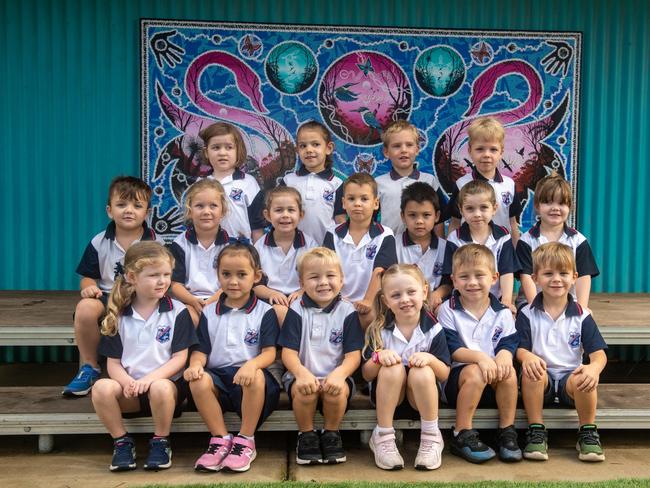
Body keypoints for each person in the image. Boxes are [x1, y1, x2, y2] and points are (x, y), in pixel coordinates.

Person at [91, 241, 197, 471]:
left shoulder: (178, 312)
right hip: (129, 392)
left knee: (160, 386)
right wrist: (128, 382)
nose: (162, 281)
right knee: (101, 388)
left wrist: (148, 380)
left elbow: (180, 359)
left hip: (165, 392)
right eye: (153, 275)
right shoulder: (117, 315)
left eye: (167, 274)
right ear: (131, 277)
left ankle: (161, 441)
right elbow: (113, 363)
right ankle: (121, 442)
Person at [184, 242, 281, 473]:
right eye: (226, 274)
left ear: (256, 276)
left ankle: (246, 440)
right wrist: (195, 365)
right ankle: (220, 440)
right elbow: (201, 351)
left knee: (256, 376)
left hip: (252, 383)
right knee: (198, 379)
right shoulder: (208, 312)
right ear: (217, 275)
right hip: (219, 380)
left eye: (241, 274)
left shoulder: (265, 312)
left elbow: (270, 354)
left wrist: (252, 365)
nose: (233, 281)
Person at [64, 176, 162, 397]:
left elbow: (163, 279)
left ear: (146, 213)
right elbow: (88, 277)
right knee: (86, 307)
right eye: (121, 204)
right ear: (109, 210)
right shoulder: (99, 241)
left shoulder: (156, 244)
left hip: (142, 298)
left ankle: (146, 369)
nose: (129, 210)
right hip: (108, 295)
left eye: (137, 206)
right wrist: (88, 288)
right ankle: (90, 367)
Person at [516, 242, 607, 462]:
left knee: (584, 376)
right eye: (548, 273)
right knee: (532, 372)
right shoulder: (527, 314)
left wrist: (594, 368)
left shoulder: (582, 315)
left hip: (569, 381)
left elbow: (599, 354)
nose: (556, 279)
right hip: (542, 380)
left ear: (574, 277)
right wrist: (527, 356)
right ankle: (536, 431)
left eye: (563, 273)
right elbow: (519, 349)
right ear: (535, 278)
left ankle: (587, 432)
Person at [279, 247, 364, 465]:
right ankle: (306, 435)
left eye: (330, 276)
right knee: (304, 392)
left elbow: (353, 356)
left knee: (336, 392)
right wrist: (301, 374)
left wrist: (339, 375)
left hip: (335, 374)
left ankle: (331, 434)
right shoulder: (297, 310)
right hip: (302, 374)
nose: (323, 282)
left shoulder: (348, 311)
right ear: (302, 283)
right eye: (314, 277)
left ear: (342, 279)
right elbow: (288, 353)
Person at [362, 264, 450, 471]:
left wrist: (430, 358)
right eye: (396, 295)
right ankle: (382, 436)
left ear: (424, 291)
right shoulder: (379, 329)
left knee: (423, 371)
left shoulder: (434, 329)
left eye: (411, 292)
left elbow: (445, 373)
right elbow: (366, 375)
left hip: (422, 400)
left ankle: (431, 436)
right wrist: (377, 357)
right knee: (392, 368)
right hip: (388, 401)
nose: (405, 299)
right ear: (385, 300)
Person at [438, 244, 522, 463]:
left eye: (479, 275)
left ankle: (506, 431)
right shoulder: (447, 310)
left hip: (492, 380)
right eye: (464, 277)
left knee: (509, 372)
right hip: (457, 383)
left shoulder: (502, 312)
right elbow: (453, 350)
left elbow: (509, 341)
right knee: (476, 371)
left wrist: (504, 354)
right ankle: (462, 432)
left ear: (494, 278)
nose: (472, 282)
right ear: (454, 280)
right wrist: (481, 358)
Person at [516, 173, 599, 309]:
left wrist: (581, 310)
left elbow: (584, 277)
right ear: (537, 205)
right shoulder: (526, 241)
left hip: (569, 304)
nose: (555, 208)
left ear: (570, 207)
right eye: (548, 202)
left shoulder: (578, 241)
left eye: (561, 203)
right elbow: (526, 278)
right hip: (531, 303)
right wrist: (535, 310)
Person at [323, 172, 397, 317]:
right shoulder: (332, 234)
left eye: (364, 199)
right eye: (351, 198)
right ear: (343, 203)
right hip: (337, 302)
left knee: (368, 317)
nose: (357, 203)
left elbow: (380, 272)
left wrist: (368, 301)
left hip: (372, 305)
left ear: (376, 203)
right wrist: (338, 302)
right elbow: (327, 272)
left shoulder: (385, 235)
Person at [447, 180, 518, 311]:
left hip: (495, 301)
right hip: (463, 302)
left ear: (494, 208)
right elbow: (452, 276)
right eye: (470, 209)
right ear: (461, 210)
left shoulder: (503, 236)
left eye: (483, 207)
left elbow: (507, 271)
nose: (477, 214)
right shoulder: (454, 238)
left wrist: (507, 301)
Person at [447, 117, 521, 243]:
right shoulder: (462, 184)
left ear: (501, 152)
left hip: (500, 251)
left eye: (493, 149)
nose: (486, 154)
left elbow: (513, 223)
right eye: (480, 149)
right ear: (470, 151)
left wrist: (515, 254)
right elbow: (455, 222)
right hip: (469, 252)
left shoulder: (509, 184)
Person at [170, 179, 230, 325]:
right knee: (190, 318)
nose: (206, 212)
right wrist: (193, 301)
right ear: (190, 211)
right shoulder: (179, 244)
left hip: (223, 297)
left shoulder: (231, 246)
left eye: (213, 206)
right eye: (199, 206)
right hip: (189, 301)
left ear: (223, 211)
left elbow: (231, 282)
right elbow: (174, 284)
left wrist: (212, 301)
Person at [375, 120, 447, 235]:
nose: (404, 150)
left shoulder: (430, 180)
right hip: (390, 247)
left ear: (417, 149)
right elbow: (370, 220)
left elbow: (440, 219)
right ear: (386, 152)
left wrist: (440, 246)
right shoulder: (378, 183)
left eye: (409, 145)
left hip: (425, 248)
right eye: (397, 146)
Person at [279, 120, 344, 243]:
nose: (309, 150)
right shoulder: (288, 181)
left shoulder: (337, 184)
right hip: (294, 249)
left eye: (315, 144)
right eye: (303, 146)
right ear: (297, 150)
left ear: (328, 148)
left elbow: (340, 219)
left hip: (326, 251)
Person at [200, 122, 266, 241]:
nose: (222, 153)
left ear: (238, 151)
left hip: (241, 251)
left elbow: (257, 226)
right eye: (216, 147)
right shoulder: (200, 184)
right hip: (209, 248)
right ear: (206, 152)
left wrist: (258, 255)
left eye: (229, 147)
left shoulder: (248, 183)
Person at [396, 181, 456, 311]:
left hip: (435, 304)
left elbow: (450, 282)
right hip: (403, 303)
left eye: (426, 215)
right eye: (412, 215)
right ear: (403, 216)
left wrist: (438, 294)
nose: (419, 221)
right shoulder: (394, 244)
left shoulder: (446, 247)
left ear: (437, 216)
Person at [253, 186, 317, 306]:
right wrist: (271, 294)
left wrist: (302, 291)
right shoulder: (259, 247)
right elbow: (255, 284)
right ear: (267, 215)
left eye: (291, 210)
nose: (285, 215)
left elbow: (317, 278)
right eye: (278, 210)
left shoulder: (310, 246)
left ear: (301, 215)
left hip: (301, 299)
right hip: (268, 300)